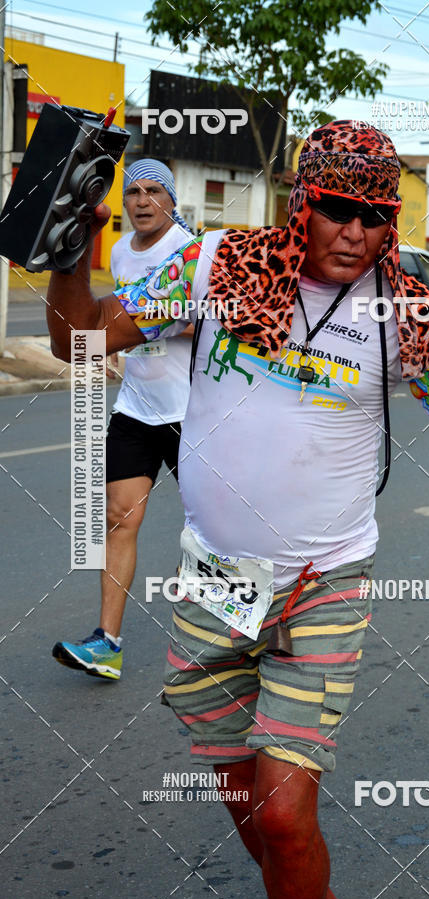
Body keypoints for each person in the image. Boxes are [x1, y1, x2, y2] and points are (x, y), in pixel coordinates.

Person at [47, 122, 429, 899]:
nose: (355, 231)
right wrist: (70, 252)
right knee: (252, 805)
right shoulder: (215, 266)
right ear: (302, 200)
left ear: (392, 223)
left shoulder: (405, 312)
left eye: (375, 215)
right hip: (215, 579)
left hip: (324, 582)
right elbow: (79, 339)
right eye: (338, 207)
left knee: (281, 814)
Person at [52, 160, 193, 681]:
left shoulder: (190, 251)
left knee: (217, 531)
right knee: (119, 519)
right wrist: (118, 344)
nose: (139, 201)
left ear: (171, 200)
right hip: (137, 407)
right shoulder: (116, 252)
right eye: (132, 191)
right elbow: (111, 320)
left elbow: (209, 321)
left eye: (152, 191)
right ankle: (106, 643)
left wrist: (149, 324)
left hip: (193, 411)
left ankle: (255, 633)